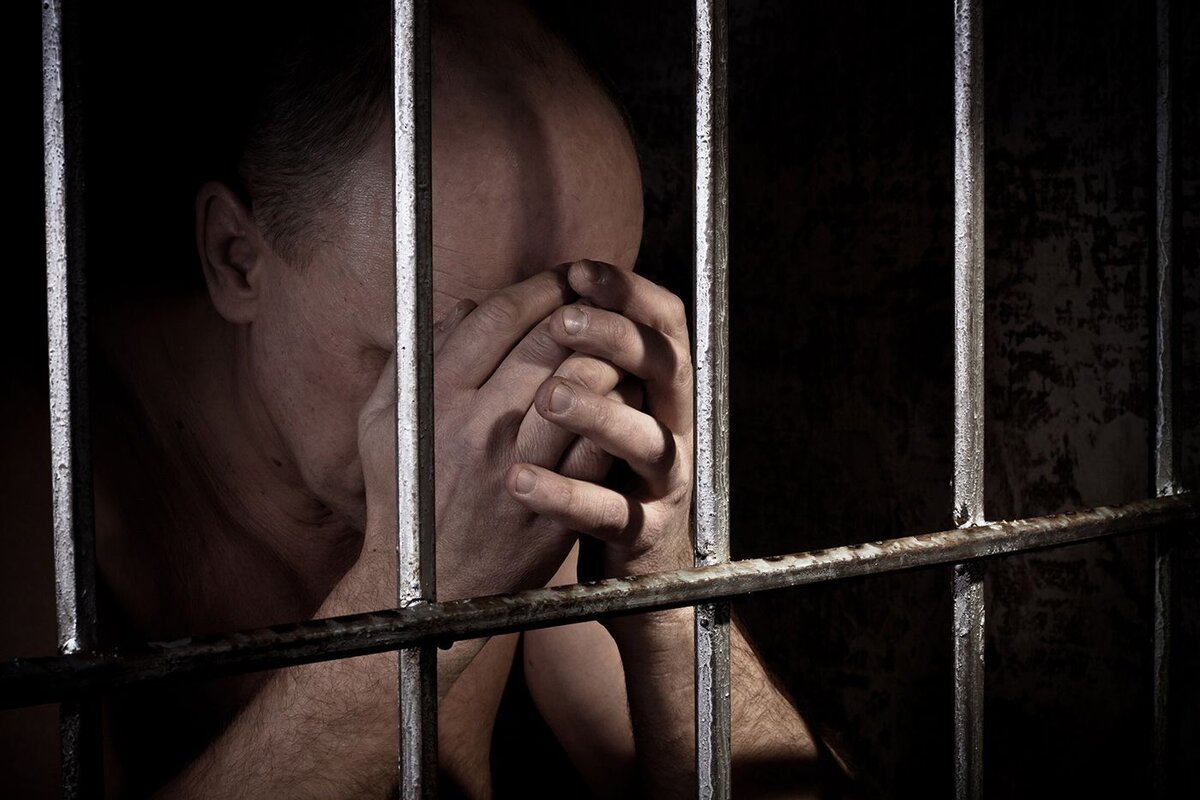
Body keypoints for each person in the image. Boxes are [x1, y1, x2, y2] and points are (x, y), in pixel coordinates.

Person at [1, 1, 851, 796]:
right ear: (237, 259)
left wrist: (666, 584)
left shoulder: (529, 428)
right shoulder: (48, 464)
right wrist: (412, 599)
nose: (495, 417)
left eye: (562, 350)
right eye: (421, 358)